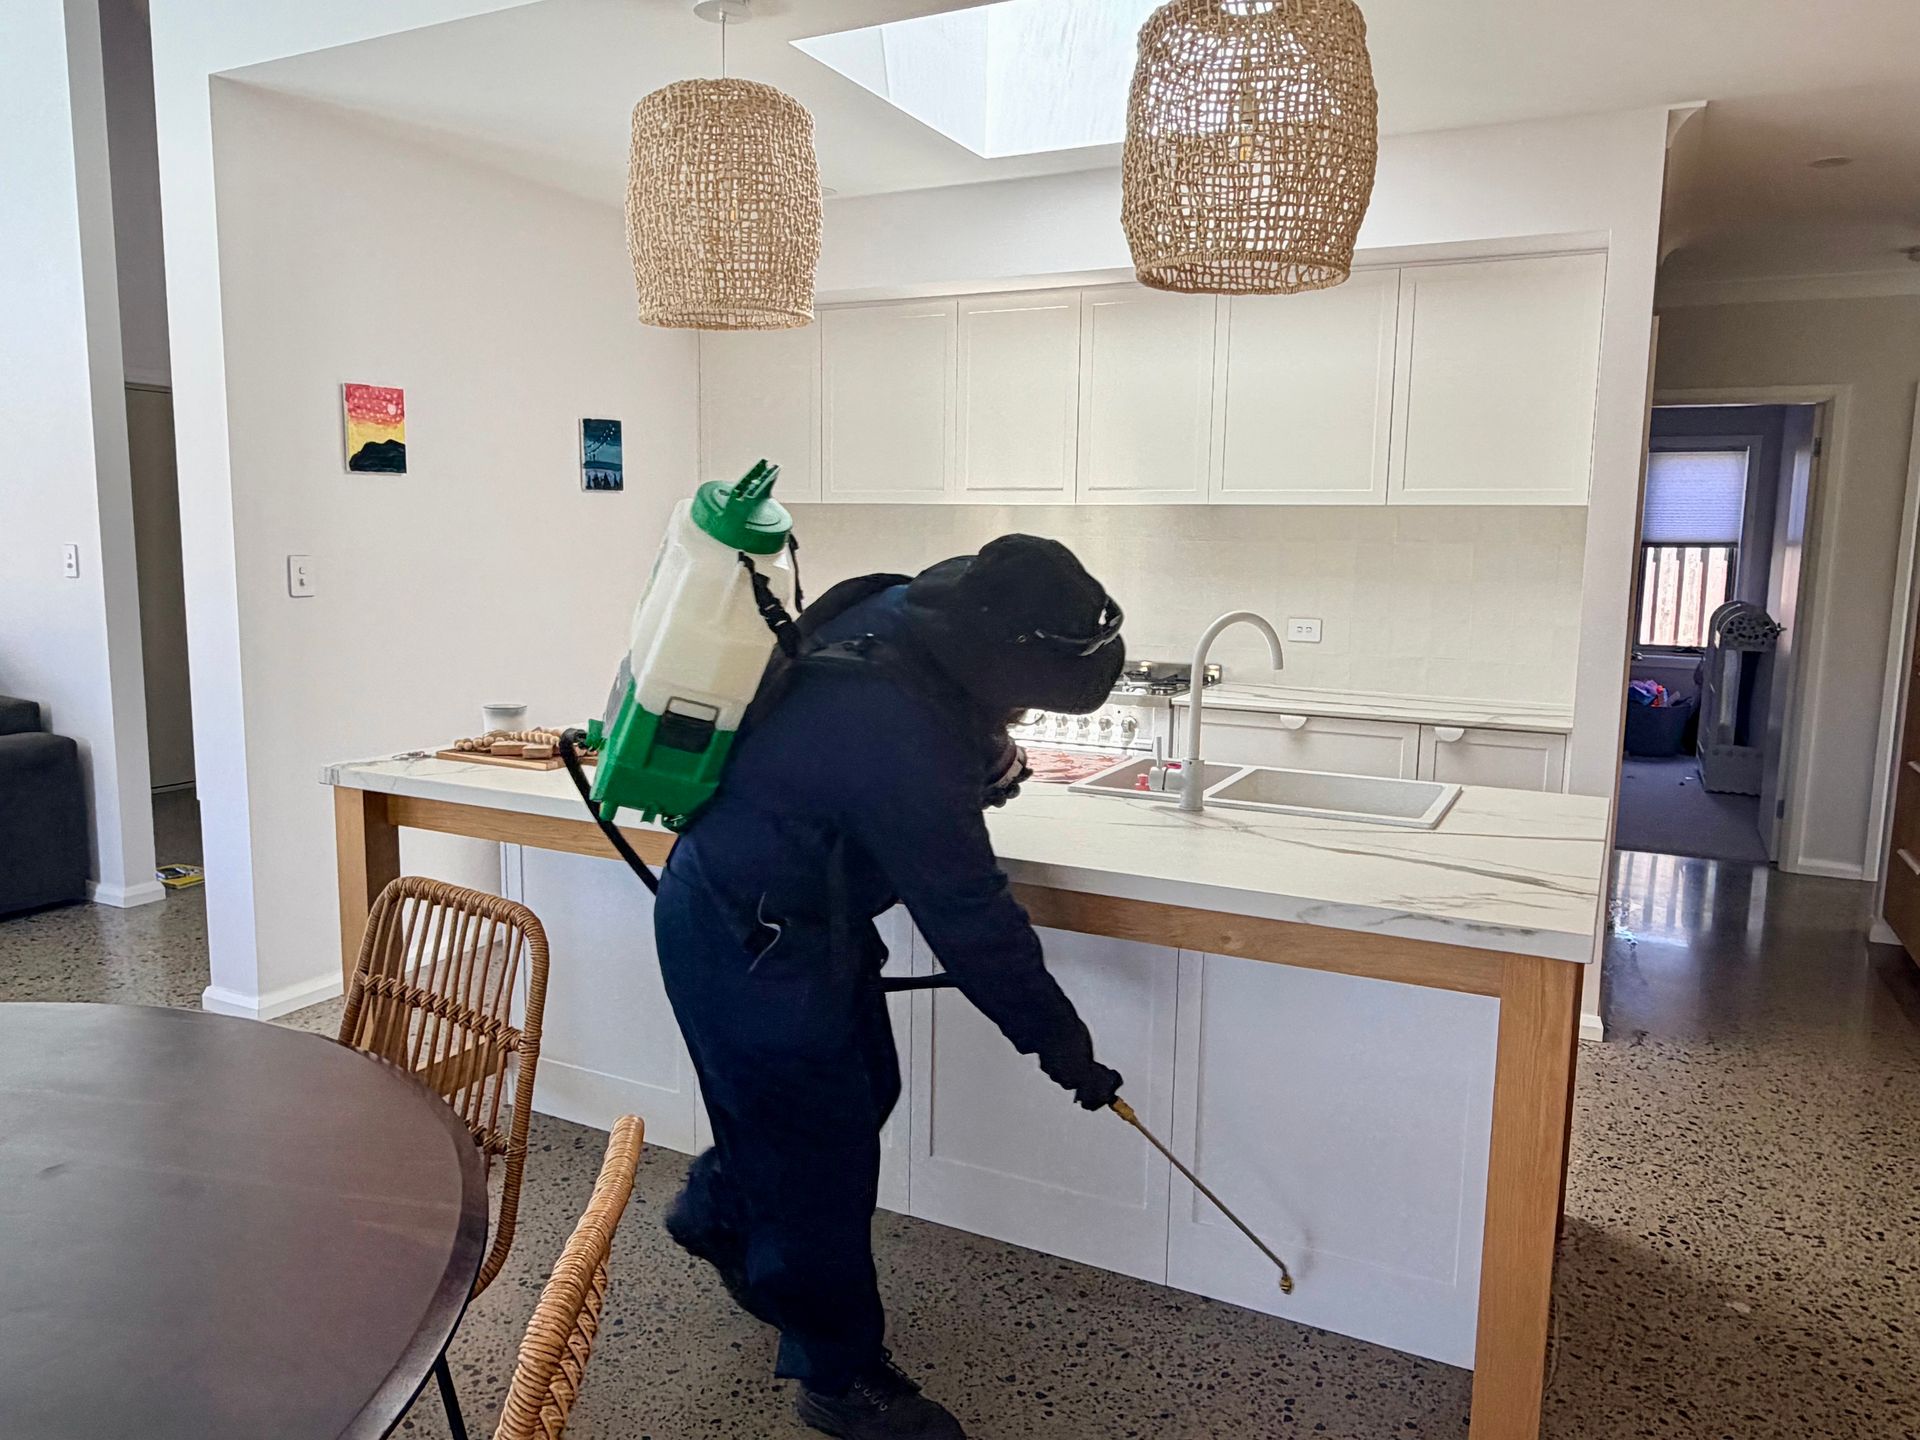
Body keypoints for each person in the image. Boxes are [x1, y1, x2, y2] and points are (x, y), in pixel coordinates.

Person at [655, 535, 1128, 1440]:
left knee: (864, 1088)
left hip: (789, 921)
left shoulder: (923, 604)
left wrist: (986, 749)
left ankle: (718, 1213)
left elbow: (925, 741)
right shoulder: (895, 732)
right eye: (1027, 695)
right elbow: (972, 920)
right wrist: (1063, 1045)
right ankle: (838, 1379)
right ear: (1000, 657)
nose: (1026, 711)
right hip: (748, 934)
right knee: (820, 1159)